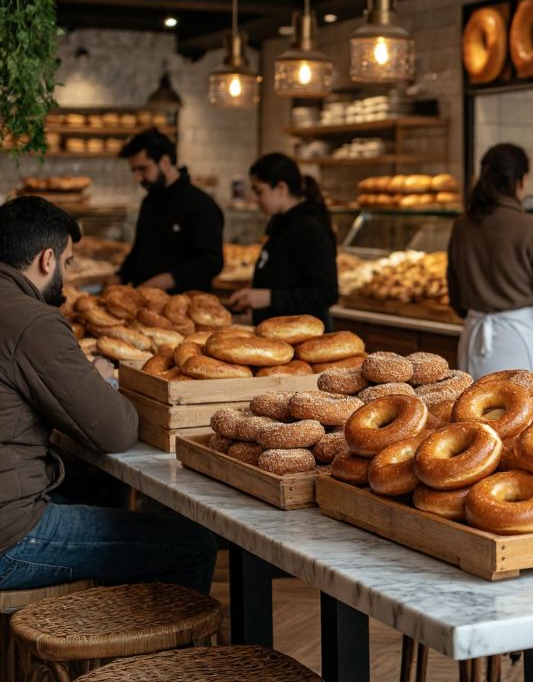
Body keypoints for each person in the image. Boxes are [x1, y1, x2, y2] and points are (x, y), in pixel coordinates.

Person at [0, 197, 217, 593]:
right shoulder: (32, 321)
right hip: (10, 539)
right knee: (194, 544)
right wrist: (98, 376)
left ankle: (105, 627)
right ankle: (155, 654)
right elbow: (114, 432)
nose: (67, 275)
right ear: (46, 260)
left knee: (101, 492)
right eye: (67, 263)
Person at [447, 144, 533, 393]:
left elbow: (457, 301)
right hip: (518, 338)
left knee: (473, 419)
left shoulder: (462, 226)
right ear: (521, 180)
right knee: (523, 419)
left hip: (474, 336)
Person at [229, 153, 339, 327]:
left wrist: (268, 297)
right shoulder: (283, 223)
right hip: (280, 333)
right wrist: (252, 293)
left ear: (281, 188)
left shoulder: (309, 227)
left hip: (304, 338)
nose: (256, 199)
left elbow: (326, 293)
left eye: (259, 191)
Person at [117, 128, 224, 293]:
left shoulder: (201, 205)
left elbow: (211, 262)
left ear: (165, 162)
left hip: (186, 306)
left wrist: (170, 279)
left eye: (143, 169)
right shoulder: (149, 201)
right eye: (134, 171)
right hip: (146, 301)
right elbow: (140, 250)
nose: (138, 178)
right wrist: (120, 276)